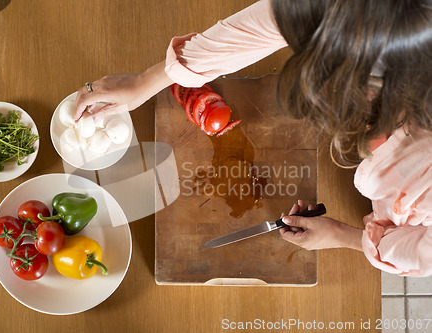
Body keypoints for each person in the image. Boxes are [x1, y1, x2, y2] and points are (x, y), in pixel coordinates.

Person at [74, 0, 432, 277]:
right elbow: (270, 23)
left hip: (402, 218)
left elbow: (421, 253)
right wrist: (151, 80)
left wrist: (346, 238)